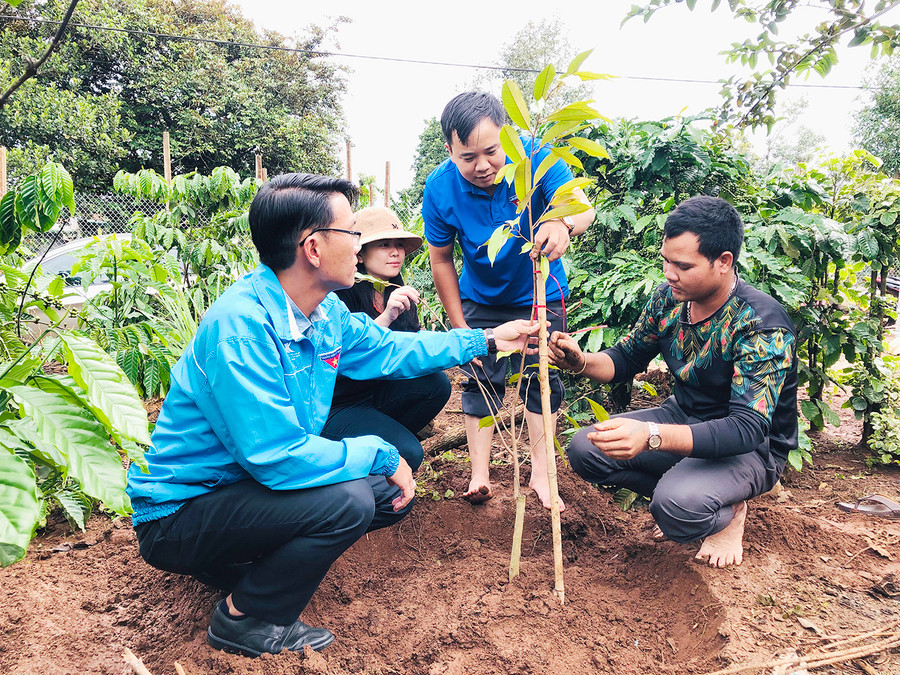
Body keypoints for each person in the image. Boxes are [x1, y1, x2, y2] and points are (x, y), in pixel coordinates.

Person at [126, 173, 541, 658]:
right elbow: (275, 455)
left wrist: (486, 339)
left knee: (380, 495)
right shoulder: (240, 328)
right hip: (183, 513)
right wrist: (379, 452)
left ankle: (242, 562)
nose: (360, 243)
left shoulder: (325, 314)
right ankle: (245, 617)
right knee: (348, 499)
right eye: (352, 233)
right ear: (314, 248)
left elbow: (390, 350)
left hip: (240, 490)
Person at [548, 196, 798, 567]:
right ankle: (693, 491)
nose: (669, 273)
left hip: (749, 447)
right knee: (587, 448)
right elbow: (625, 358)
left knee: (677, 509)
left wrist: (651, 435)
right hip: (683, 419)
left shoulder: (760, 323)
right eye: (666, 260)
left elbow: (746, 429)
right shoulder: (669, 299)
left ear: (723, 262)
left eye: (682, 265)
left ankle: (726, 511)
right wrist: (581, 362)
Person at [422, 91, 594, 510]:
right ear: (449, 150)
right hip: (480, 298)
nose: (482, 166)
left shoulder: (538, 158)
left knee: (543, 378)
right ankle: (479, 474)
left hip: (540, 294)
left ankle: (541, 474)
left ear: (508, 138)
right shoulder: (440, 188)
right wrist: (461, 326)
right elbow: (441, 259)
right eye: (467, 157)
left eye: (492, 152)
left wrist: (561, 221)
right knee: (480, 380)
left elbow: (583, 208)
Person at [332, 206, 451, 472]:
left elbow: (408, 350)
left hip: (378, 393)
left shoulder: (401, 293)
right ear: (360, 254)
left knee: (437, 385)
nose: (395, 252)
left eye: (398, 244)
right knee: (410, 452)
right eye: (384, 244)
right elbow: (351, 355)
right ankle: (364, 459)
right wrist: (386, 316)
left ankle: (382, 437)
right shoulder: (341, 295)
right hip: (342, 401)